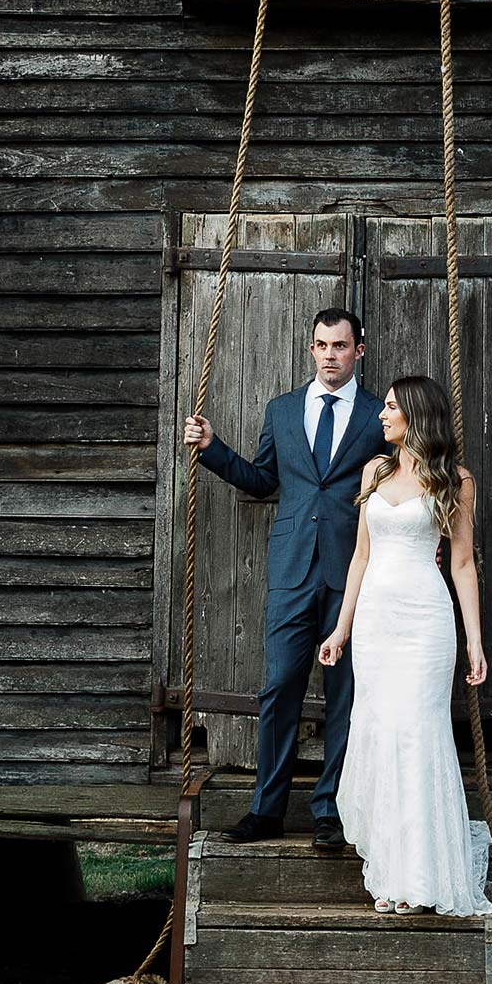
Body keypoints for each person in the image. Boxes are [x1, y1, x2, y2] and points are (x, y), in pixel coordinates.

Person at [183, 308, 384, 850]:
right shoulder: (282, 409)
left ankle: (330, 812)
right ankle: (266, 810)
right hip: (292, 571)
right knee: (278, 690)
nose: (329, 355)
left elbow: (400, 484)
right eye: (320, 345)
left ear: (358, 350)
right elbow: (262, 479)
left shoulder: (377, 414)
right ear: (310, 348)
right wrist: (213, 450)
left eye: (340, 346)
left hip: (353, 575)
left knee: (346, 696)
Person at [320, 375, 492, 918]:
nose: (382, 415)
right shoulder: (376, 470)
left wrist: (475, 641)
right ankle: (391, 873)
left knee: (419, 736)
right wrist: (341, 629)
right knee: (382, 733)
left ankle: (421, 875)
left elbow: (462, 563)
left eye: (391, 408)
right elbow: (360, 558)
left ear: (417, 415)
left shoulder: (455, 481)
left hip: (425, 621)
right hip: (375, 620)